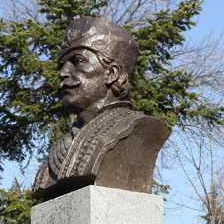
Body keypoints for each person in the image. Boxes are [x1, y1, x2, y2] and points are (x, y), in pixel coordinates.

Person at [32, 17, 170, 201]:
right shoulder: (56, 154)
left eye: (78, 61)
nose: (63, 73)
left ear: (111, 73)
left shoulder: (138, 129)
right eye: (61, 64)